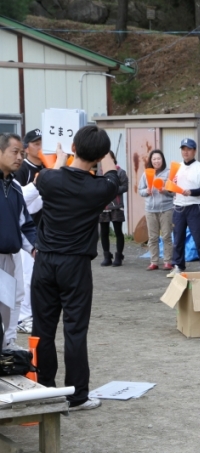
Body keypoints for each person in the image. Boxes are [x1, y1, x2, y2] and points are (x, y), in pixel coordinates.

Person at [32, 125, 120, 410]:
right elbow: (113, 175)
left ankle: (43, 389)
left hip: (45, 260)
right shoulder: (100, 188)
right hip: (75, 264)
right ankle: (77, 395)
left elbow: (52, 175)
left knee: (42, 328)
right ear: (100, 156)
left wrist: (60, 158)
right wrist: (105, 155)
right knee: (75, 331)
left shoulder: (48, 178)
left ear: (73, 148)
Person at [0, 133, 36, 350]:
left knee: (13, 300)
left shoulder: (14, 188)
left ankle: (8, 344)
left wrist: (34, 248)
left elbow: (25, 224)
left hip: (11, 255)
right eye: (15, 152)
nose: (20, 157)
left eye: (22, 153)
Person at [167, 138, 200, 277]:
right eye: (183, 149)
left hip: (195, 206)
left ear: (194, 151)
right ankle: (178, 265)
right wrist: (168, 188)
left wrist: (191, 192)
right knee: (178, 238)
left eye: (188, 149)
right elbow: (170, 187)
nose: (186, 152)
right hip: (178, 206)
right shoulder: (177, 167)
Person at [13, 129, 44, 336]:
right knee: (26, 276)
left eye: (43, 142)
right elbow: (21, 201)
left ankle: (32, 314)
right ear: (27, 147)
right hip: (25, 230)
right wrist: (36, 185)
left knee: (38, 276)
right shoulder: (22, 169)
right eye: (36, 143)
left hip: (43, 228)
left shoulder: (48, 166)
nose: (40, 147)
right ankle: (23, 318)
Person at [139, 149, 174, 271]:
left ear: (162, 160)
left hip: (166, 209)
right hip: (150, 209)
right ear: (151, 161)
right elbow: (140, 190)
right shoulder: (146, 173)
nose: (156, 161)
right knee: (153, 237)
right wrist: (147, 191)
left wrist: (165, 191)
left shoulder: (169, 173)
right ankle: (154, 262)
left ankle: (167, 261)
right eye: (154, 159)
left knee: (166, 236)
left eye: (159, 158)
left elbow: (174, 192)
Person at [98, 151, 128, 267]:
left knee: (118, 231)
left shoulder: (120, 172)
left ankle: (119, 256)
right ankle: (107, 256)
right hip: (103, 206)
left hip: (117, 206)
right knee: (104, 232)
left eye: (108, 157)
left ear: (113, 158)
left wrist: (112, 189)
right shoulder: (99, 172)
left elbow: (125, 187)